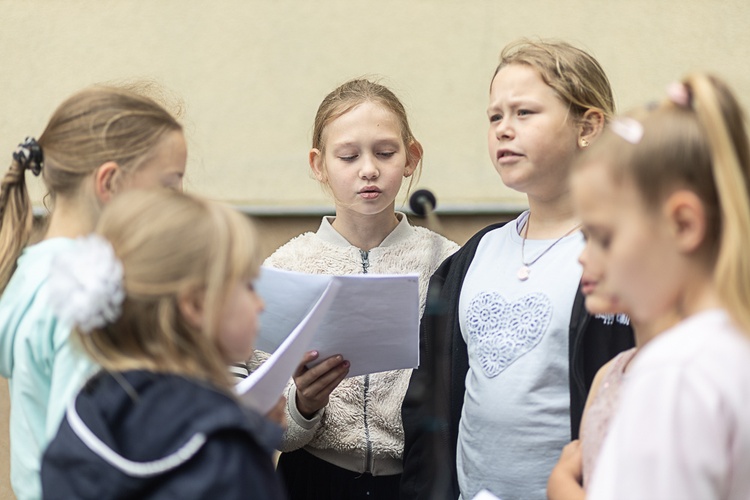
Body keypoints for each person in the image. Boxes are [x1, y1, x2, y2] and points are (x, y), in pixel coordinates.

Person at [400, 39, 634, 500]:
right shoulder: (473, 257)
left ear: (588, 126)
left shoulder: (622, 257)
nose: (504, 130)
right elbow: (429, 406)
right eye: (494, 116)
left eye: (524, 113)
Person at [254, 78, 459, 499]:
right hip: (313, 479)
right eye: (348, 156)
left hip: (417, 481)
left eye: (385, 153)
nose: (368, 169)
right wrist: (303, 404)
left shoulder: (447, 262)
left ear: (411, 157)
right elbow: (269, 426)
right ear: (318, 164)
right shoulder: (285, 269)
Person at [0, 85, 187, 499]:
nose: (179, 207)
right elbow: (91, 451)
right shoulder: (90, 293)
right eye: (170, 187)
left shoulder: (32, 271)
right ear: (110, 183)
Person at [39, 189, 286, 499]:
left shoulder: (83, 419)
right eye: (248, 286)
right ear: (196, 306)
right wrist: (250, 448)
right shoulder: (224, 451)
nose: (260, 304)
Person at [573, 74, 750, 499]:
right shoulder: (731, 347)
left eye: (605, 237)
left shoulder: (676, 371)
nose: (586, 256)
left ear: (683, 225)